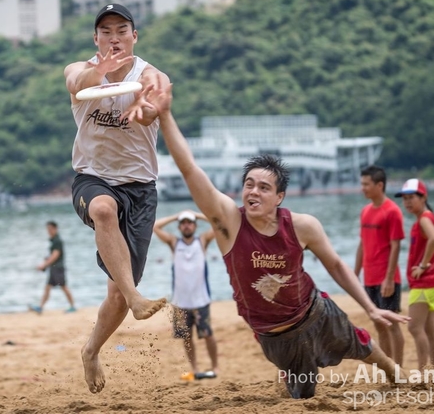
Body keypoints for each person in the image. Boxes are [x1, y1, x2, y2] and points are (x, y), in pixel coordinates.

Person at [134, 79, 410, 399]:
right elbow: (190, 169)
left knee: (359, 342)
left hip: (314, 310)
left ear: (279, 196)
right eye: (249, 184)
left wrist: (372, 308)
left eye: (263, 188)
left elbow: (335, 264)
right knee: (303, 393)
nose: (253, 191)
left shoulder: (303, 226)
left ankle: (391, 368)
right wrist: (166, 116)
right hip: (272, 334)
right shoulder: (230, 223)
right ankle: (290, 376)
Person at [63, 3, 168, 394]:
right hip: (92, 178)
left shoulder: (151, 74)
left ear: (134, 36)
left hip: (140, 188)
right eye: (105, 31)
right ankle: (137, 297)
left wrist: (143, 109)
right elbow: (76, 82)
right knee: (103, 208)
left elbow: (153, 105)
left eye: (121, 30)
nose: (114, 37)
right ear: (96, 38)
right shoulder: (81, 70)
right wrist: (100, 71)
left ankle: (91, 350)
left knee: (115, 296)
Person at [153, 210, 219, 380]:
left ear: (195, 225)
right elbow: (155, 227)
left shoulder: (202, 241)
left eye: (190, 222)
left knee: (208, 335)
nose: (187, 225)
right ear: (179, 226)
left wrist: (198, 215)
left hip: (201, 300)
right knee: (187, 337)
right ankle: (195, 368)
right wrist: (175, 215)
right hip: (180, 302)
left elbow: (218, 224)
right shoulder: (174, 243)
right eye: (183, 223)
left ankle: (215, 367)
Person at [354, 165, 406, 366]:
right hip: (369, 277)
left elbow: (396, 246)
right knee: (379, 325)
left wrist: (389, 278)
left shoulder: (392, 211)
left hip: (387, 278)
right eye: (362, 184)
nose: (363, 188)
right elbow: (362, 243)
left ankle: (399, 369)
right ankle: (389, 369)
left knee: (392, 324)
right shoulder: (365, 211)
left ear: (379, 185)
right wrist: (354, 273)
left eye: (366, 184)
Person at [395, 178, 434, 370]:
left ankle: (424, 370)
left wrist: (423, 265)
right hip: (432, 282)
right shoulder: (428, 217)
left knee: (414, 327)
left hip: (424, 282)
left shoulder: (424, 219)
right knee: (430, 330)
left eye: (411, 197)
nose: (407, 202)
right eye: (404, 198)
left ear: (423, 197)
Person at [30, 221, 76, 314]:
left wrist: (44, 265)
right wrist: (46, 262)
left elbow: (55, 255)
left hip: (58, 268)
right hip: (54, 268)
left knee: (63, 287)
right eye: (48, 229)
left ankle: (72, 306)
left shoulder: (57, 241)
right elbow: (52, 255)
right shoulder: (54, 240)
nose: (49, 231)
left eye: (50, 229)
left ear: (55, 229)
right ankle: (40, 307)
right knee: (47, 287)